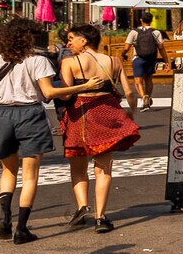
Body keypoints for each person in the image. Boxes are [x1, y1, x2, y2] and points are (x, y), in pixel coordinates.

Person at [57, 25, 139, 232]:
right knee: (103, 168)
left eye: (71, 39)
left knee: (78, 167)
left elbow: (66, 95)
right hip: (107, 113)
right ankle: (101, 217)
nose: (68, 43)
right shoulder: (113, 61)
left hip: (80, 116)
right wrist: (131, 112)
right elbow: (129, 92)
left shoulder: (69, 62)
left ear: (84, 40)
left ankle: (83, 206)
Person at [0, 17, 62, 244]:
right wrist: (84, 86)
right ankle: (22, 229)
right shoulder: (38, 61)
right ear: (27, 37)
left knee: (8, 171)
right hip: (30, 114)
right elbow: (49, 93)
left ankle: (5, 218)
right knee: (30, 174)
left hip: (1, 115)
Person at [125, 19, 164, 110]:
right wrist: (167, 61)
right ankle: (147, 99)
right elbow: (161, 47)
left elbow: (126, 47)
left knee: (138, 81)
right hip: (151, 59)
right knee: (149, 79)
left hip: (138, 58)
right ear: (151, 20)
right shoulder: (156, 32)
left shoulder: (134, 32)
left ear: (141, 20)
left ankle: (144, 97)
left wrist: (123, 54)